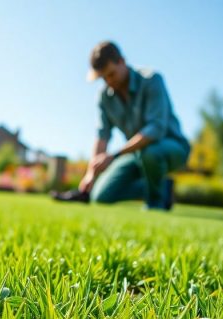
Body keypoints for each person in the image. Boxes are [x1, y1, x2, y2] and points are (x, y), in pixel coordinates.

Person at [52, 41, 190, 209]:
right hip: (135, 154)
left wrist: (114, 156)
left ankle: (155, 203)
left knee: (150, 152)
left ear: (122, 61)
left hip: (170, 148)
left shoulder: (151, 80)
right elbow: (102, 135)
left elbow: (155, 130)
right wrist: (91, 174)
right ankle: (162, 187)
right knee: (101, 196)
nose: (108, 81)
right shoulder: (105, 97)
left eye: (111, 74)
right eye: (103, 78)